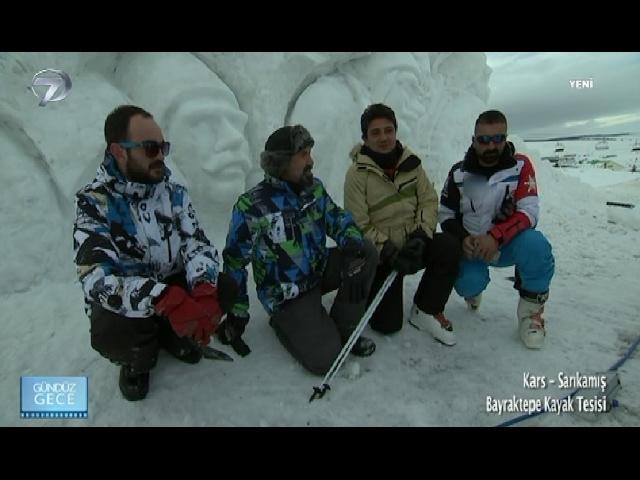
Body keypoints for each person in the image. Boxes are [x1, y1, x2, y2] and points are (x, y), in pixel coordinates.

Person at [73, 105, 233, 401]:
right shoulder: (94, 203)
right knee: (111, 326)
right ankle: (137, 363)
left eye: (163, 147)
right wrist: (164, 298)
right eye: (150, 148)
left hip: (173, 287)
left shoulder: (174, 194)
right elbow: (95, 279)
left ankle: (176, 335)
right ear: (119, 152)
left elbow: (197, 245)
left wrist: (204, 289)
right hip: (133, 303)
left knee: (224, 287)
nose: (160, 155)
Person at [220, 125, 379, 375]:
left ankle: (345, 328)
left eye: (310, 153)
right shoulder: (252, 206)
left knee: (365, 251)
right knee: (325, 360)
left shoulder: (313, 189)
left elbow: (337, 218)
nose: (311, 160)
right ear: (282, 162)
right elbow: (234, 261)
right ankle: (287, 324)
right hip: (286, 293)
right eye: (303, 154)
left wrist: (351, 243)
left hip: (318, 268)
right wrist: (237, 311)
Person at [344, 103, 462, 345]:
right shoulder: (357, 175)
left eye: (388, 130)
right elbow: (358, 223)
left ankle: (425, 309)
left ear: (396, 131)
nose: (383, 137)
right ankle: (370, 289)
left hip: (413, 244)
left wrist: (421, 235)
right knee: (387, 325)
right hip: (383, 256)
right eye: (375, 132)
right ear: (365, 138)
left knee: (448, 246)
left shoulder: (412, 164)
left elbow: (429, 201)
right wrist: (386, 250)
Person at [438, 110, 555, 349]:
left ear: (506, 138)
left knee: (536, 246)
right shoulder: (458, 173)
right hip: (473, 248)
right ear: (473, 140)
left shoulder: (520, 166)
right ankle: (472, 289)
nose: (491, 145)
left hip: (508, 243)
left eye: (498, 138)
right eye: (484, 139)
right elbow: (446, 215)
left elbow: (529, 212)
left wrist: (495, 237)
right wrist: (463, 240)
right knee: (468, 282)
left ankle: (530, 315)